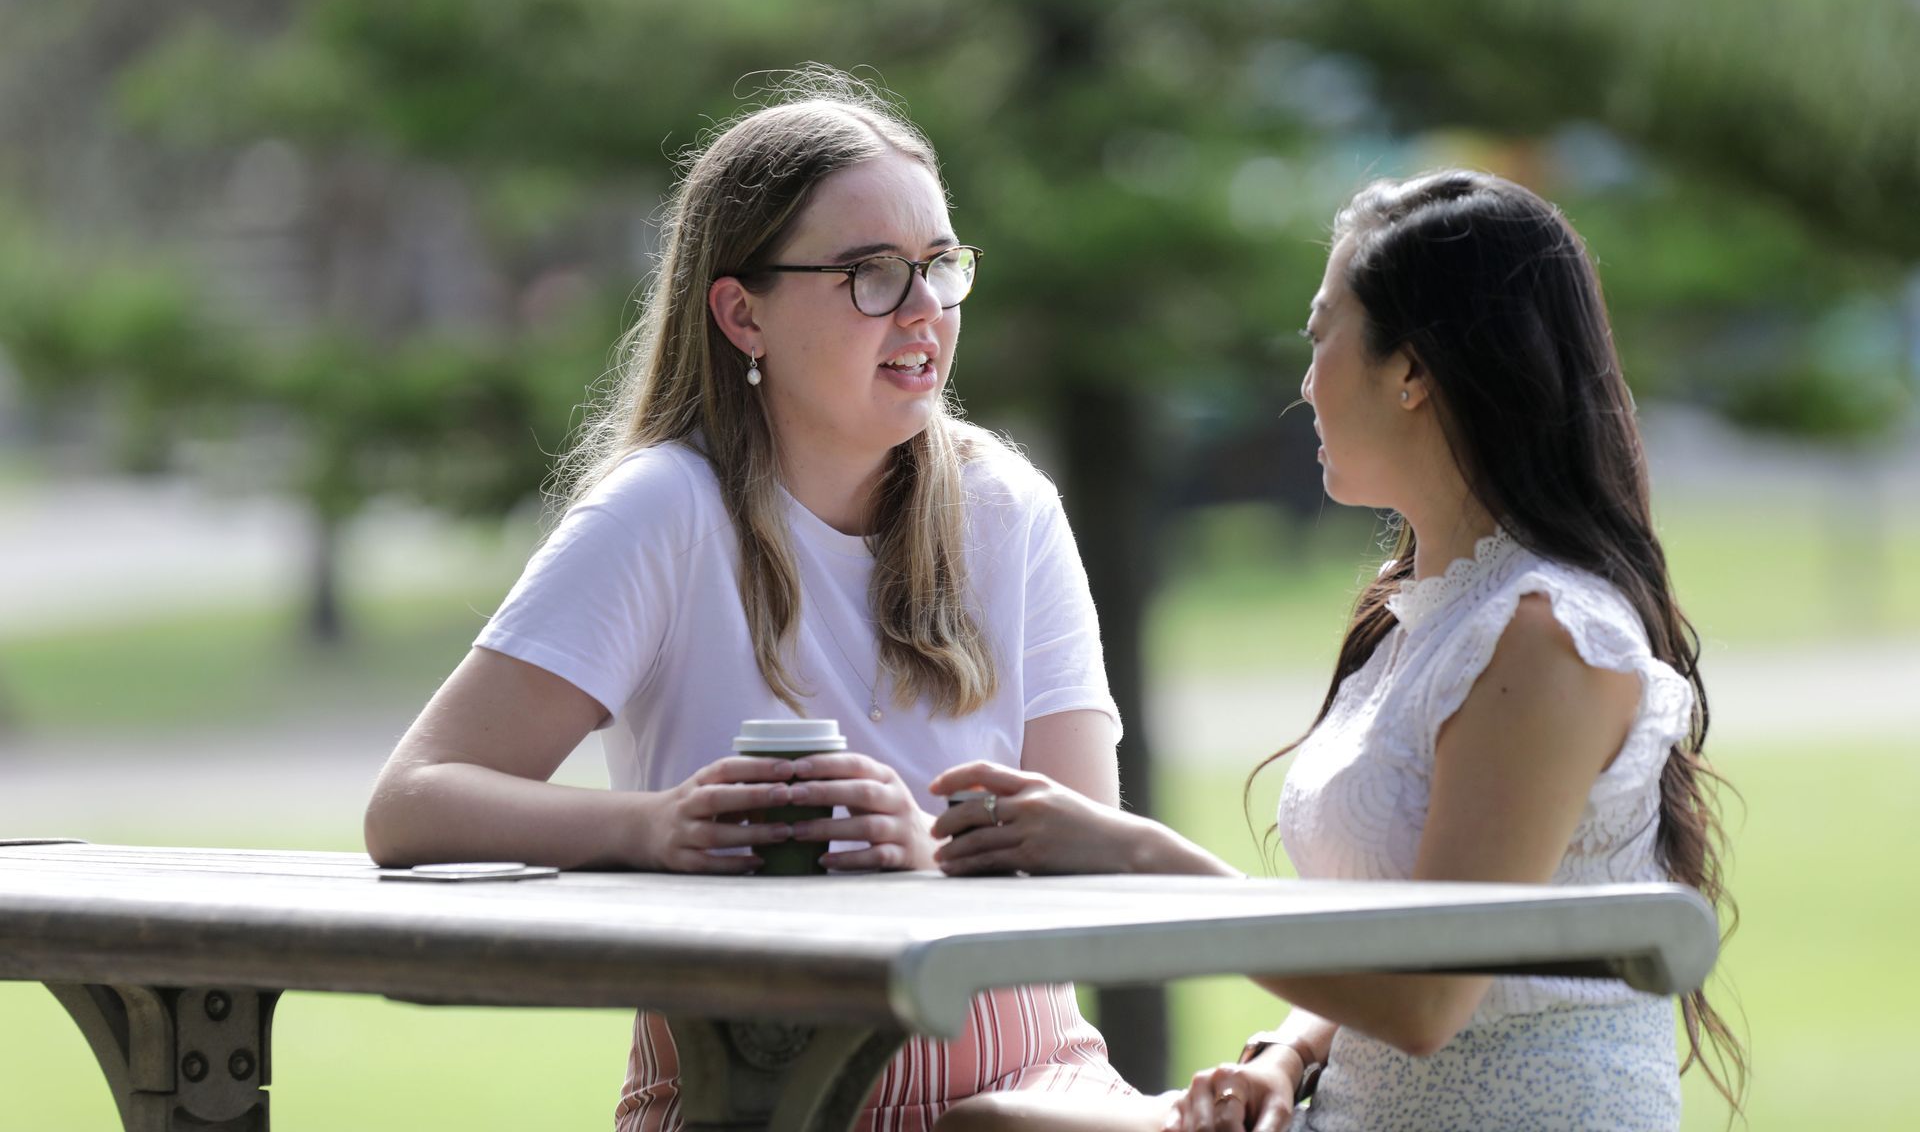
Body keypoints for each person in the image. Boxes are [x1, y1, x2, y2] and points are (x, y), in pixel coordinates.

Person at [362, 70, 1136, 1131]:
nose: (922, 312)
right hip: (744, 1102)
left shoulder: (1009, 508)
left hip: (1029, 1089)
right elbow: (412, 802)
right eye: (869, 273)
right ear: (741, 312)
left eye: (938, 267)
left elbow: (1099, 857)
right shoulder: (663, 513)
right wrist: (656, 827)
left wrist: (929, 854)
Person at [926, 171, 1745, 1132]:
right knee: (987, 1119)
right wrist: (1287, 1050)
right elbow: (1398, 923)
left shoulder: (1543, 638)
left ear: (1412, 371)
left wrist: (1140, 858)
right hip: (1350, 1110)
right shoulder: (1426, 614)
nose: (1306, 382)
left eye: (1322, 338)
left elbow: (1425, 997)